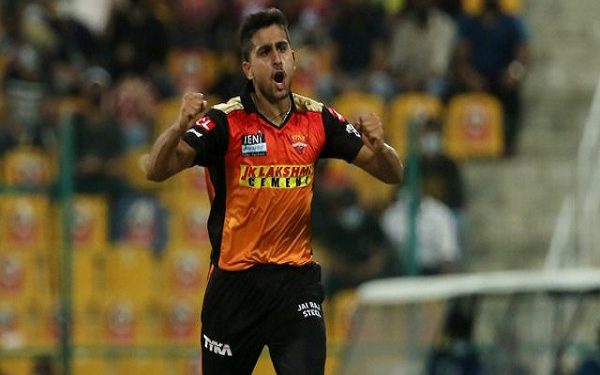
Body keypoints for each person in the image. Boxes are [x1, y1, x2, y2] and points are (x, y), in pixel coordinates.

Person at [144, 8, 403, 374]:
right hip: (234, 287)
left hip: (295, 284)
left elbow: (392, 174)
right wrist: (177, 128)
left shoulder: (318, 118)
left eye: (282, 47)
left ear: (294, 58)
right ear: (248, 68)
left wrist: (381, 147)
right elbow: (156, 170)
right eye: (264, 52)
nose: (277, 58)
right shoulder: (223, 121)